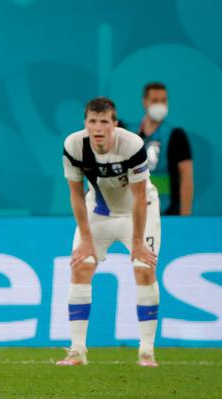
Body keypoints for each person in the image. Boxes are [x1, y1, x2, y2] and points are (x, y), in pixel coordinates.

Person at [60, 97, 160, 367]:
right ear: (86, 123)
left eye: (104, 121)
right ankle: (77, 351)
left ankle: (146, 352)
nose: (98, 127)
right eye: (93, 121)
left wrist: (138, 242)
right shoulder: (73, 146)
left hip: (139, 212)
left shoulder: (132, 145)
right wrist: (86, 240)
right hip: (100, 212)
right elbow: (76, 196)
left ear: (114, 124)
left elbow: (139, 198)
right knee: (81, 265)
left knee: (144, 267)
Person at [138, 82, 193, 215]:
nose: (160, 105)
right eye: (155, 100)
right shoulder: (130, 133)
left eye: (163, 100)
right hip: (134, 211)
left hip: (167, 212)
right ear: (145, 102)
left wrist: (185, 215)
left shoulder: (176, 135)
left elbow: (186, 176)